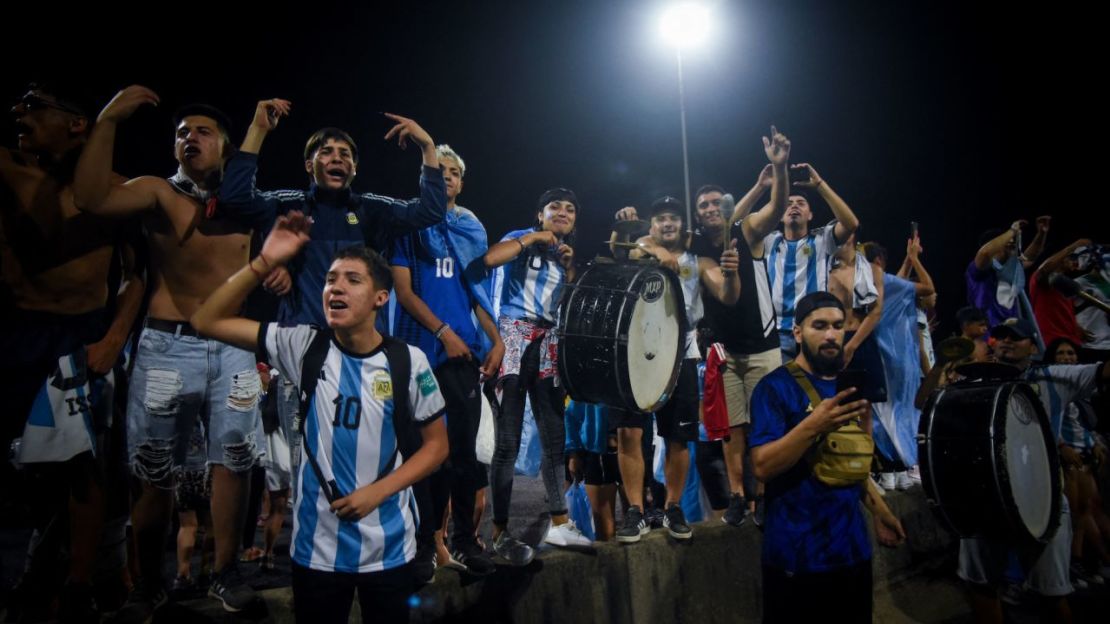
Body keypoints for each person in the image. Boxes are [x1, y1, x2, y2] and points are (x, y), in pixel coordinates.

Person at [191, 212, 449, 624]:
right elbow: (205, 320)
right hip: (316, 551)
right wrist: (265, 261)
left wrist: (378, 493)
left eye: (352, 279)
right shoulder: (303, 345)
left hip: (389, 550)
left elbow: (437, 447)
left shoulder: (408, 360)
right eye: (330, 279)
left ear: (381, 298)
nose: (336, 288)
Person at [73, 86, 271, 616]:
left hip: (233, 343)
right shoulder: (160, 192)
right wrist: (108, 119)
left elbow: (275, 263)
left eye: (203, 132)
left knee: (235, 458)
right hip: (167, 344)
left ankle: (226, 572)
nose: (190, 138)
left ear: (227, 147)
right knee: (153, 466)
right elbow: (91, 198)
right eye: (182, 133)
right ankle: (149, 582)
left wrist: (279, 278)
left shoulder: (248, 205)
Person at [1, 82, 144, 622]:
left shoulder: (115, 190)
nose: (19, 112)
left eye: (34, 105)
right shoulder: (10, 170)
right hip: (15, 328)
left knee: (81, 467)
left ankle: (79, 581)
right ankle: (38, 568)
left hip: (77, 336)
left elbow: (136, 275)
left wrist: (113, 338)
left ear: (77, 122)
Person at [750, 291, 905, 622]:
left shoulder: (849, 388)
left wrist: (880, 510)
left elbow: (852, 463)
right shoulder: (773, 388)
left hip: (851, 553)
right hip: (795, 558)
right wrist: (813, 425)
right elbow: (762, 466)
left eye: (838, 326)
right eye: (819, 325)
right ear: (798, 332)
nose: (832, 334)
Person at [390, 144, 499, 579]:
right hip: (421, 353)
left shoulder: (471, 227)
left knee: (465, 455)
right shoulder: (408, 225)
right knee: (424, 454)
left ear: (461, 181)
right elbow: (403, 292)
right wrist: (442, 332)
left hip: (463, 356)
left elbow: (478, 291)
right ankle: (423, 546)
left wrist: (496, 339)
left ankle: (465, 543)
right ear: (427, 179)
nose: (448, 177)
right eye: (441, 171)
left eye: (454, 172)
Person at [958, 317, 1110, 623]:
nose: (1006, 341)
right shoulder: (972, 382)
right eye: (1001, 336)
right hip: (987, 498)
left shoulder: (1054, 377)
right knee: (980, 585)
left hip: (1043, 499)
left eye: (1016, 337)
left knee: (1052, 595)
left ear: (1034, 344)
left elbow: (1104, 372)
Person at [610, 196, 740, 542]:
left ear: (684, 226)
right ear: (651, 226)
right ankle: (636, 510)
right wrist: (638, 237)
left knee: (677, 437)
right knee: (629, 433)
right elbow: (626, 249)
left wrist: (732, 271)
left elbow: (728, 296)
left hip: (682, 353)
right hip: (636, 353)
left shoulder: (699, 262)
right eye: (660, 218)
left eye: (674, 218)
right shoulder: (642, 250)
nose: (667, 223)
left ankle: (673, 507)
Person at [483, 188, 591, 565]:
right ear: (539, 214)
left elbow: (572, 308)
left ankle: (560, 522)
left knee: (553, 438)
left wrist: (573, 270)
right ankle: (498, 533)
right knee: (508, 442)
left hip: (549, 340)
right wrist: (532, 238)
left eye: (570, 208)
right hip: (513, 334)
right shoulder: (520, 238)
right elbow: (489, 259)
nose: (563, 212)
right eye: (554, 207)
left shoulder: (567, 258)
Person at [765, 160, 860, 360]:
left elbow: (851, 223)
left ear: (810, 215)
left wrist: (819, 185)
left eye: (801, 203)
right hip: (775, 332)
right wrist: (761, 188)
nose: (794, 207)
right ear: (780, 215)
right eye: (788, 204)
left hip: (813, 327)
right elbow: (733, 227)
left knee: (814, 389)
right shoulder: (768, 241)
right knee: (782, 389)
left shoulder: (822, 239)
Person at [966, 217, 1048, 331]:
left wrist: (1041, 233)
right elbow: (985, 253)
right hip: (989, 333)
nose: (1011, 242)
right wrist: (1012, 231)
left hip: (1012, 331)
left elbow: (1030, 256)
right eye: (1006, 243)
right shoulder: (976, 270)